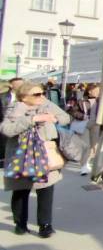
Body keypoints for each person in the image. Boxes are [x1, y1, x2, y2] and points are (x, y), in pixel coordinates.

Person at [2, 81, 70, 237]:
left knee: (46, 189)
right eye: (37, 94)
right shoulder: (14, 109)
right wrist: (31, 119)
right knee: (20, 191)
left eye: (43, 93)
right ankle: (20, 224)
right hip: (20, 156)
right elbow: (7, 130)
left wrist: (54, 118)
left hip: (44, 154)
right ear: (24, 96)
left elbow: (66, 117)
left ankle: (45, 225)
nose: (42, 96)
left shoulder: (47, 105)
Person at [0, 77, 24, 168]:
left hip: (21, 126)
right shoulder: (2, 96)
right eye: (19, 84)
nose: (22, 86)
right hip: (5, 125)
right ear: (11, 85)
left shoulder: (27, 97)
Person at [79, 84, 101, 176]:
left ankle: (88, 162)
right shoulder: (82, 101)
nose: (98, 92)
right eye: (96, 91)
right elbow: (73, 111)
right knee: (86, 145)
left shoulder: (100, 100)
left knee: (94, 146)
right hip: (85, 125)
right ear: (89, 91)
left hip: (96, 124)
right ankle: (83, 166)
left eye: (98, 91)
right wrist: (82, 116)